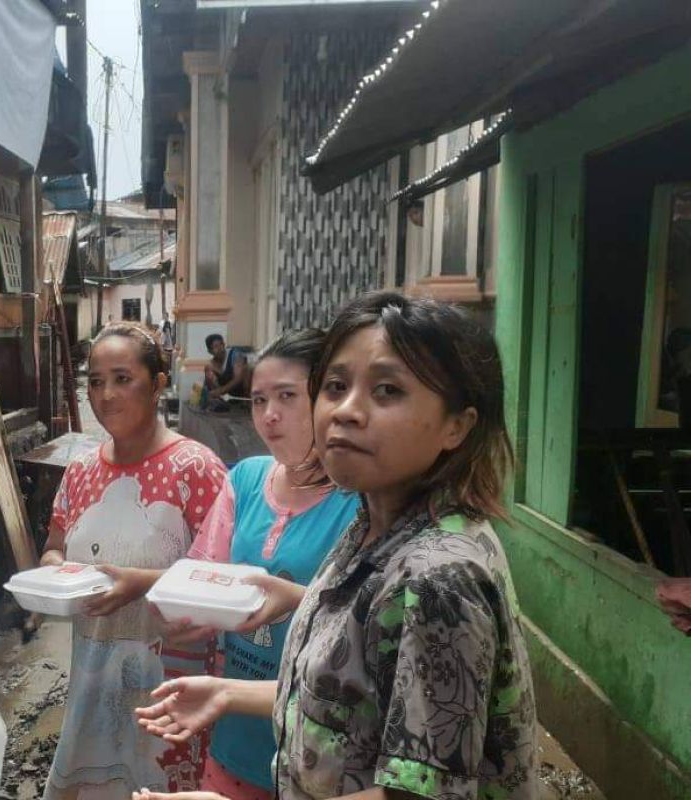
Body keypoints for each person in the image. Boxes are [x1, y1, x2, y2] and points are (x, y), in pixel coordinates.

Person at [134, 292, 539, 800]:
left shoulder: (438, 578)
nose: (346, 411)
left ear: (457, 425)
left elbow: (418, 793)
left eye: (387, 390)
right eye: (336, 386)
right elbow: (353, 698)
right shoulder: (373, 527)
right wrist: (226, 691)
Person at [41, 322, 228, 798]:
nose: (105, 394)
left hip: (172, 686)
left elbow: (224, 579)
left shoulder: (197, 468)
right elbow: (55, 545)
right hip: (92, 676)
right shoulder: (81, 470)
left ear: (158, 384)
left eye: (122, 378)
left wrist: (142, 582)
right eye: (96, 381)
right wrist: (52, 571)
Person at [172, 330, 359, 800]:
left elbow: (367, 627)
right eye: (257, 400)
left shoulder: (361, 501)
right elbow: (204, 570)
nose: (269, 415)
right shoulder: (247, 478)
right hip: (233, 721)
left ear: (327, 399)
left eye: (287, 397)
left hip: (322, 739)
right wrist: (187, 613)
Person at [203, 334, 249, 407]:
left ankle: (247, 403)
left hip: (242, 392)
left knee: (247, 369)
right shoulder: (211, 365)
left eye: (221, 345)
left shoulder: (235, 354)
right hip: (228, 395)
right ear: (210, 351)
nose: (220, 348)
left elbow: (238, 378)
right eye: (215, 347)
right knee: (208, 370)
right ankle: (220, 402)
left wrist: (221, 390)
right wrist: (215, 392)